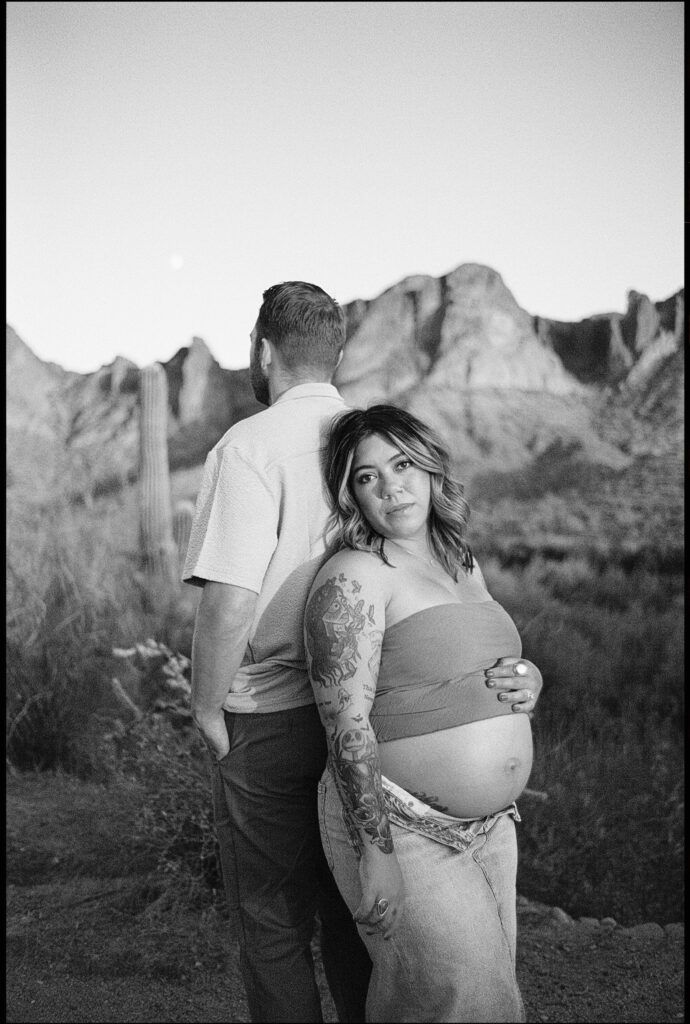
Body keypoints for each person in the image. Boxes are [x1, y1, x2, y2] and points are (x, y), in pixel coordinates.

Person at [304, 404, 544, 1023]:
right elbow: (345, 723)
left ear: (431, 468)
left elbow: (481, 659)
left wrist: (529, 679)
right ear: (351, 494)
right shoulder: (355, 575)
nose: (391, 485)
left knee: (482, 1001)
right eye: (367, 475)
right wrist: (374, 852)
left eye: (403, 463)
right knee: (466, 1006)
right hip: (402, 825)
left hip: (494, 826)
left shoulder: (458, 559)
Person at [182, 281, 373, 1023]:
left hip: (271, 714)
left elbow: (230, 600)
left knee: (271, 919)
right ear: (339, 354)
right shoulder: (376, 441)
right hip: (366, 709)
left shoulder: (249, 446)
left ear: (263, 349)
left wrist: (206, 707)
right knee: (356, 912)